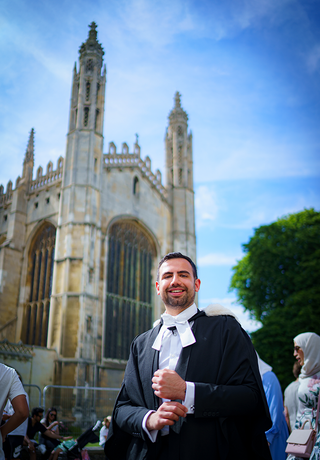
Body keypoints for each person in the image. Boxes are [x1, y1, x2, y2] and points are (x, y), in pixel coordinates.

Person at [105, 252, 272, 460]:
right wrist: (149, 419)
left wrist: (187, 391)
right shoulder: (141, 344)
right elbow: (122, 408)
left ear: (197, 284)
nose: (175, 281)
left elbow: (251, 397)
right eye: (167, 276)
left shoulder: (226, 330)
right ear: (158, 287)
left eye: (183, 275)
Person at [287, 332, 320, 460]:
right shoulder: (304, 376)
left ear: (310, 347)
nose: (294, 354)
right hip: (302, 438)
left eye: (297, 348)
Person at [257, 355, 289, 460]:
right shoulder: (255, 380)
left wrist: (268, 437)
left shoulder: (269, 377)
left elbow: (275, 410)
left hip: (273, 438)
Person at [0, 364, 29, 460]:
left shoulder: (22, 395)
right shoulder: (9, 373)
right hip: (11, 430)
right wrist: (2, 432)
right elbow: (22, 412)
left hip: (17, 431)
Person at [284, 362, 301, 433]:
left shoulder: (288, 389)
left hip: (293, 430)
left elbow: (286, 414)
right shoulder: (307, 387)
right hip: (308, 430)